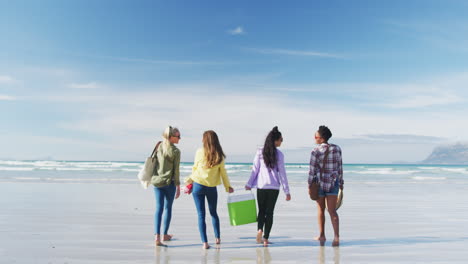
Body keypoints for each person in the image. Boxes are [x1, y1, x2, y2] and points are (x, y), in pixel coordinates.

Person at [185, 130, 234, 249]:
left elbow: (195, 169)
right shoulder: (219, 155)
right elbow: (223, 173)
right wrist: (228, 186)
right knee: (213, 213)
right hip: (211, 188)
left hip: (198, 186)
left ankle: (205, 243)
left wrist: (189, 182)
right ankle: (217, 238)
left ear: (204, 140)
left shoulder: (199, 152)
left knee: (201, 214)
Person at [245, 126, 291, 247]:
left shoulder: (260, 152)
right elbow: (282, 174)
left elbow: (255, 170)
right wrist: (287, 191)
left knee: (261, 211)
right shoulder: (280, 155)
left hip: (261, 187)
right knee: (269, 213)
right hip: (274, 188)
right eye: (281, 139)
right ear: (275, 140)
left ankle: (259, 229)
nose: (282, 141)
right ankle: (265, 239)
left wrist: (249, 184)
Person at [308, 125, 343, 246]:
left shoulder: (315, 151)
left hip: (319, 184)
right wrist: (341, 183)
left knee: (321, 210)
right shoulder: (337, 149)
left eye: (315, 136)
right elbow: (340, 167)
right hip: (333, 183)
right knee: (333, 211)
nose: (314, 137)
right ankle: (336, 237)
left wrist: (309, 185)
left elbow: (312, 171)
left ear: (321, 138)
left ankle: (322, 236)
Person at [152, 126, 181, 246]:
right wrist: (178, 186)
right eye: (178, 136)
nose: (180, 138)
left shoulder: (158, 146)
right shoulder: (176, 151)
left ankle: (157, 237)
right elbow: (176, 170)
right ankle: (165, 235)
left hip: (157, 182)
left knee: (159, 208)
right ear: (171, 137)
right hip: (170, 183)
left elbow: (153, 163)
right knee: (167, 208)